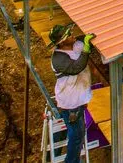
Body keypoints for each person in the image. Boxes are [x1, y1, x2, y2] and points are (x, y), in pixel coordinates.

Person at [49, 24, 96, 163]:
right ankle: (71, 161)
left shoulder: (76, 44)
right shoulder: (58, 59)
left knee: (73, 132)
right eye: (69, 34)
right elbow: (76, 68)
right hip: (70, 103)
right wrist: (86, 49)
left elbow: (86, 42)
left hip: (78, 98)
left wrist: (89, 42)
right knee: (76, 135)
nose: (72, 35)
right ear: (62, 42)